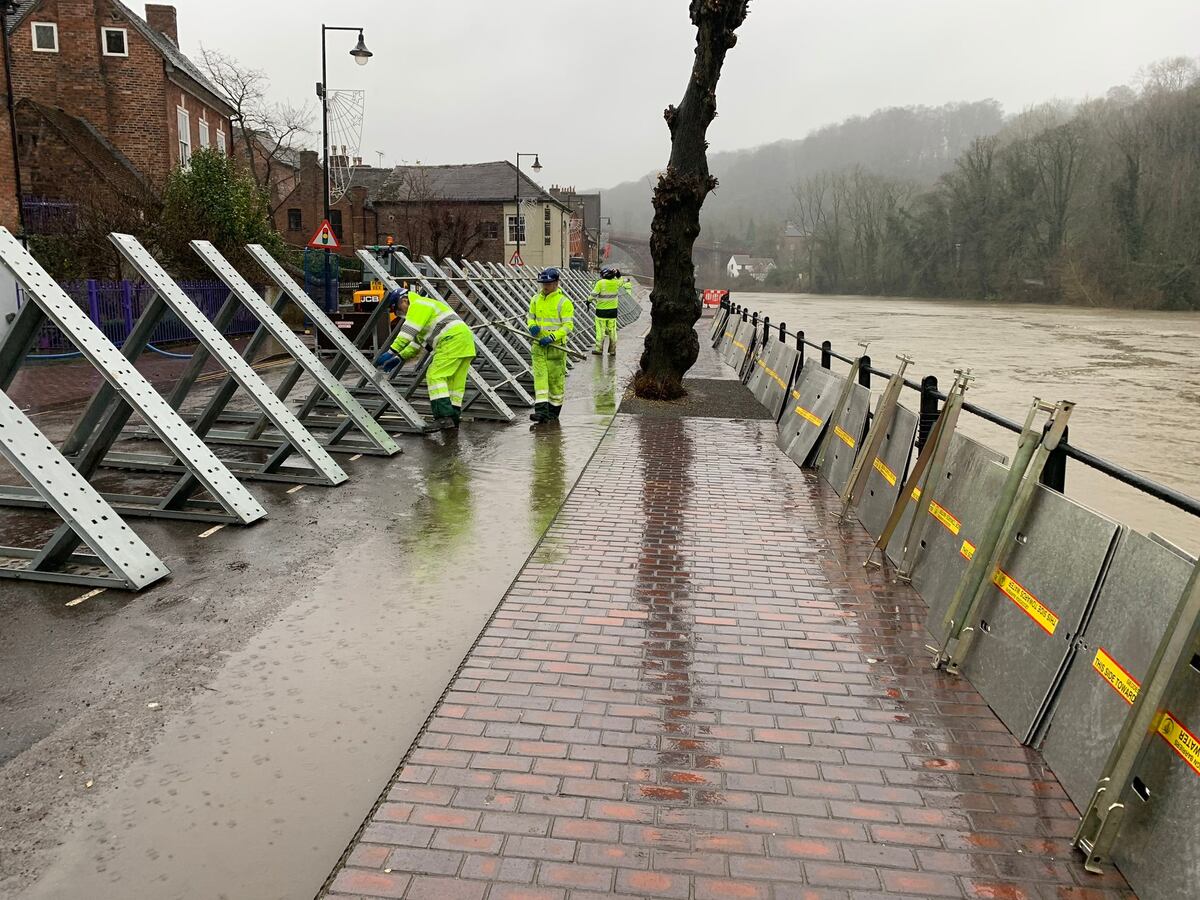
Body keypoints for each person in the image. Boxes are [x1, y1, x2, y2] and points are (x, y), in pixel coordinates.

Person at [375, 286, 476, 429]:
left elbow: (407, 333)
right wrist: (399, 358)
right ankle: (453, 418)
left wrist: (391, 352)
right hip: (464, 342)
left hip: (451, 341)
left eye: (398, 309)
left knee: (434, 376)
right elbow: (416, 343)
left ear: (404, 301)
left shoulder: (418, 306)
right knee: (454, 384)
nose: (399, 313)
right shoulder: (425, 308)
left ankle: (443, 418)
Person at [526, 268, 574, 424]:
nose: (545, 286)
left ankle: (553, 413)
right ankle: (540, 412)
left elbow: (568, 326)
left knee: (555, 382)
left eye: (548, 283)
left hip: (556, 349)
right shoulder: (535, 299)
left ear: (556, 283)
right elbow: (530, 317)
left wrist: (553, 337)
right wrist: (532, 326)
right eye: (543, 283)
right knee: (540, 380)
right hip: (538, 347)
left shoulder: (564, 302)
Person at [588, 267, 621, 356]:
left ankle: (599, 349)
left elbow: (593, 295)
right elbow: (621, 280)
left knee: (600, 331)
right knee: (612, 331)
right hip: (613, 311)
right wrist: (618, 274)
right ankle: (612, 350)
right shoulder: (616, 282)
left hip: (601, 312)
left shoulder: (600, 283)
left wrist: (589, 300)